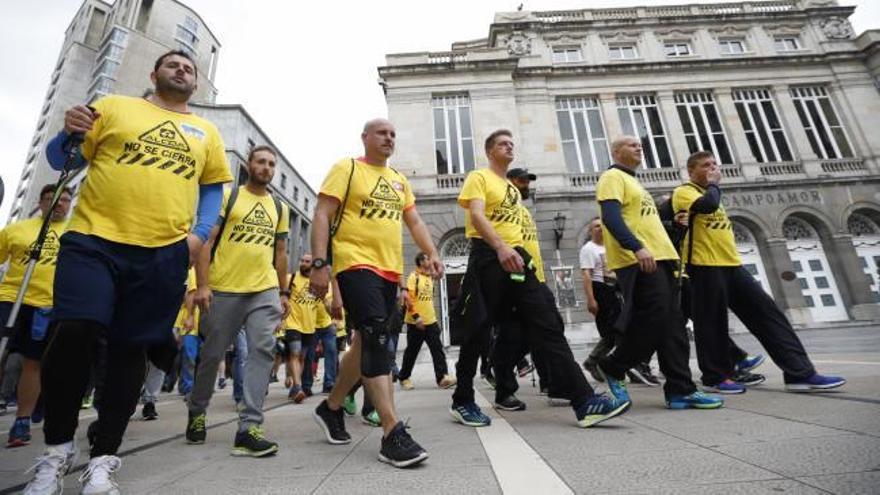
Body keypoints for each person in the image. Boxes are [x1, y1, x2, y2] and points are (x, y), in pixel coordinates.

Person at [26, 50, 233, 493]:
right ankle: (56, 451)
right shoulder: (115, 106)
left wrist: (196, 237)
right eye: (173, 64)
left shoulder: (206, 132)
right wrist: (67, 132)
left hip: (162, 254)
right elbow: (66, 160)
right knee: (76, 328)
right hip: (93, 240)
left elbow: (213, 191)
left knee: (129, 350)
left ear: (196, 84)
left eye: (189, 68)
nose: (181, 70)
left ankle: (103, 458)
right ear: (153, 72)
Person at [450, 129, 629, 429]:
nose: (509, 147)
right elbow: (478, 216)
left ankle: (584, 402)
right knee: (478, 331)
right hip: (489, 257)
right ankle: (463, 399)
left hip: (518, 260)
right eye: (502, 144)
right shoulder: (479, 177)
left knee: (548, 322)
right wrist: (500, 247)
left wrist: (519, 254)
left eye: (511, 144)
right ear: (489, 151)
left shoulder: (510, 190)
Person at [310, 118, 442, 468]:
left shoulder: (399, 181)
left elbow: (414, 221)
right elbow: (322, 213)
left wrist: (431, 252)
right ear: (365, 137)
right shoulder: (348, 169)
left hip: (389, 271)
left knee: (365, 343)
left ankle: (331, 406)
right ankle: (391, 431)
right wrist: (321, 263)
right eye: (382, 133)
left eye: (393, 134)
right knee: (375, 338)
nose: (389, 138)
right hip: (355, 265)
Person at [672, 151, 845, 393]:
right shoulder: (685, 192)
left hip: (731, 264)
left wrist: (713, 187)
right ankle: (716, 376)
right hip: (704, 265)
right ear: (691, 171)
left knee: (768, 314)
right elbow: (708, 207)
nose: (713, 168)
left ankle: (800, 373)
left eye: (714, 163)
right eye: (705, 165)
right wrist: (713, 185)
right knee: (712, 322)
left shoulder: (713, 191)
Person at [595, 136, 722, 411]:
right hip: (639, 260)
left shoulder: (636, 183)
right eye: (631, 145)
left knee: (674, 325)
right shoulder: (612, 177)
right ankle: (613, 365)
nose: (639, 147)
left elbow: (645, 223)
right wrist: (637, 247)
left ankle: (681, 389)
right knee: (654, 316)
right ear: (616, 152)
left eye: (640, 145)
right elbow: (611, 218)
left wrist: (674, 229)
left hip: (662, 258)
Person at [186, 145, 290, 458]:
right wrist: (203, 284)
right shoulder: (228, 196)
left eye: (272, 164)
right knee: (213, 353)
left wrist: (283, 292)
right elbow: (207, 241)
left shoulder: (279, 207)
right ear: (249, 165)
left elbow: (281, 253)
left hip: (264, 288)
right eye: (261, 161)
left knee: (262, 349)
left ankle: (249, 428)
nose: (267, 168)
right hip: (225, 288)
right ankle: (197, 410)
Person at [1, 184, 71, 447]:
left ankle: (21, 421)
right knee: (3, 351)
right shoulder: (17, 230)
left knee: (34, 362)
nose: (60, 204)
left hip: (47, 305)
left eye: (65, 200)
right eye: (53, 199)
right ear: (41, 203)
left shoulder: (75, 233)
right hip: (11, 299)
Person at [490, 167, 550, 410]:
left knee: (547, 327)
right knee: (516, 333)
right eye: (522, 180)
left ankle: (551, 380)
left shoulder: (524, 210)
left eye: (528, 181)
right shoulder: (503, 208)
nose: (527, 185)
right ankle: (501, 375)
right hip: (516, 275)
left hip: (536, 276)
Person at [580, 218, 660, 386]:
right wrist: (591, 299)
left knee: (617, 330)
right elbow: (586, 275)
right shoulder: (588, 249)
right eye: (596, 227)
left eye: (603, 226)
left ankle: (593, 360)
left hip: (617, 289)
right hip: (602, 290)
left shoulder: (610, 246)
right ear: (590, 230)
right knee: (618, 331)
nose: (600, 229)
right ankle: (631, 367)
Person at [398, 252, 456, 391]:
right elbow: (409, 299)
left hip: (431, 321)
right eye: (427, 259)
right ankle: (404, 377)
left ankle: (442, 378)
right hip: (415, 322)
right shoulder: (414, 277)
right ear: (420, 261)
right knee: (412, 351)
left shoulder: (429, 278)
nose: (430, 261)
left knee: (438, 350)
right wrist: (416, 316)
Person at [283, 254, 318, 403]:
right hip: (293, 323)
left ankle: (295, 387)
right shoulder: (290, 278)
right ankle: (298, 387)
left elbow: (324, 303)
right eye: (302, 261)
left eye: (307, 261)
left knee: (302, 357)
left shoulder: (317, 282)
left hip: (309, 326)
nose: (303, 263)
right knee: (295, 353)